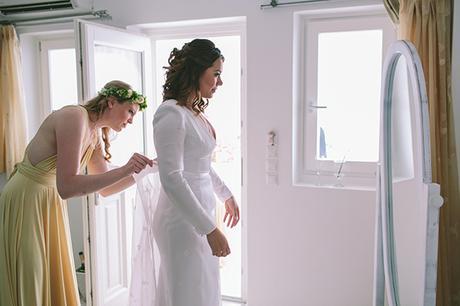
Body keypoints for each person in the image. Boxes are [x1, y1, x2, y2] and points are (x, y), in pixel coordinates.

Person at [0, 80, 153, 306]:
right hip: (27, 197)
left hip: (49, 202)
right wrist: (125, 168)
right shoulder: (75, 117)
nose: (131, 120)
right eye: (130, 111)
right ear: (111, 102)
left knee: (48, 273)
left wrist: (145, 172)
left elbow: (106, 189)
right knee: (32, 272)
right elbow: (67, 187)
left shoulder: (96, 135)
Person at [152, 39, 240, 306]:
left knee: (203, 290)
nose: (220, 82)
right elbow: (172, 178)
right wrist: (210, 229)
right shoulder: (170, 114)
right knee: (187, 293)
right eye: (216, 74)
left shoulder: (194, 112)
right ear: (196, 71)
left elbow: (200, 164)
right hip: (180, 221)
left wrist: (226, 194)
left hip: (200, 212)